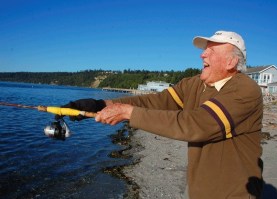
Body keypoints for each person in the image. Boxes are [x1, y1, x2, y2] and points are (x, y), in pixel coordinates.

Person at [60, 30, 264, 199]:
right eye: (204, 50)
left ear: (230, 62)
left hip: (234, 193)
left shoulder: (244, 90)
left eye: (211, 51)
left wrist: (128, 113)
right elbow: (154, 102)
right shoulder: (194, 84)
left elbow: (197, 125)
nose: (203, 55)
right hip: (199, 190)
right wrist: (100, 104)